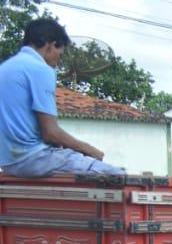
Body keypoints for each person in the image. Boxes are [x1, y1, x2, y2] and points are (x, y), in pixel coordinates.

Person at [0, 18, 125, 177]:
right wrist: (89, 149)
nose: (57, 61)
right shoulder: (40, 69)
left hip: (7, 163)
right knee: (116, 175)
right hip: (34, 159)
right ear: (50, 45)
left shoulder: (4, 68)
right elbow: (50, 133)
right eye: (60, 53)